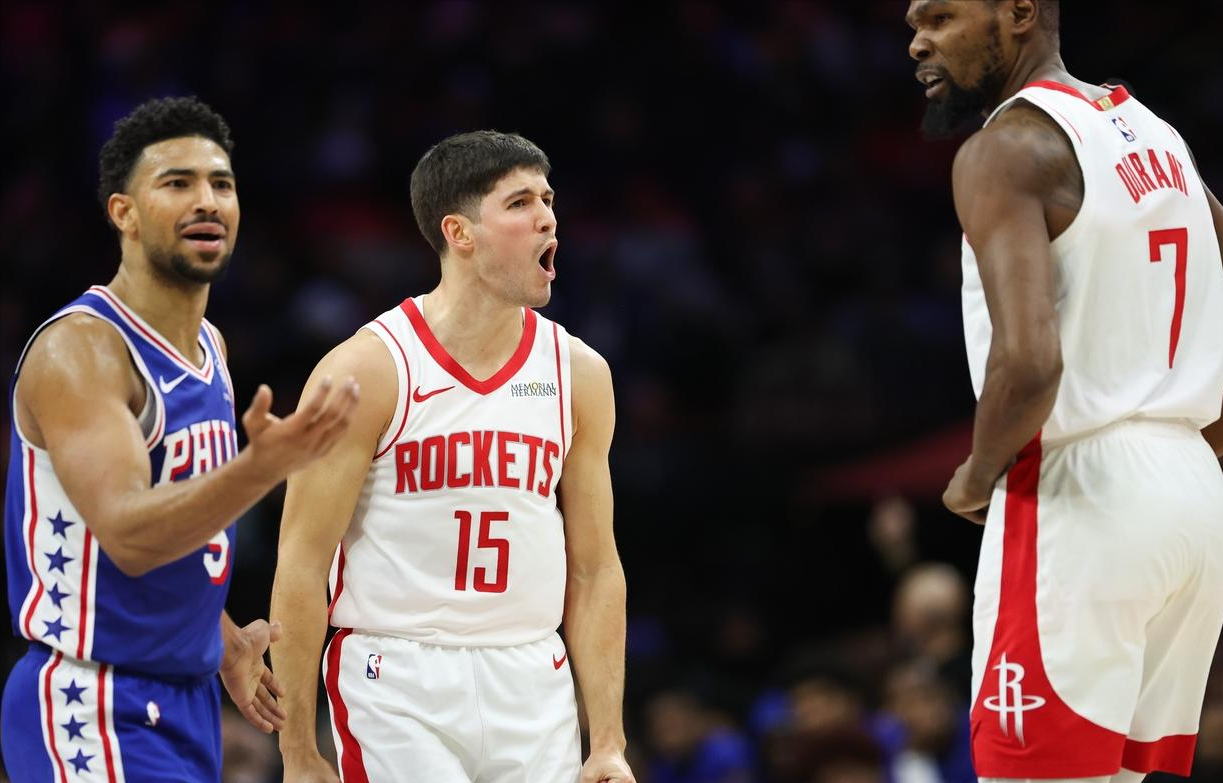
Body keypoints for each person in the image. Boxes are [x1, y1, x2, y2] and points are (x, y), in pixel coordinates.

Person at [905, 1, 1223, 781]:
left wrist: (975, 475)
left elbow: (1028, 363)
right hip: (1191, 491)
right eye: (913, 23)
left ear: (1018, 12)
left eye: (940, 17)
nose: (917, 42)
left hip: (1081, 487)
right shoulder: (1156, 133)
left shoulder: (1004, 148)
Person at [1, 96, 358, 782]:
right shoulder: (83, 350)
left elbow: (180, 528)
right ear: (124, 213)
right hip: (93, 700)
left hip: (184, 700)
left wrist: (219, 639)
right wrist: (263, 466)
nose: (207, 201)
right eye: (177, 183)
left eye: (221, 183)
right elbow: (129, 535)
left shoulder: (209, 346)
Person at [269, 130, 634, 783]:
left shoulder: (578, 373)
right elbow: (302, 561)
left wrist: (607, 739)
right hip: (396, 676)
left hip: (533, 675)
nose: (547, 217)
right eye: (519, 202)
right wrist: (298, 749)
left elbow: (595, 568)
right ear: (459, 233)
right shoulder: (368, 368)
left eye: (548, 200)